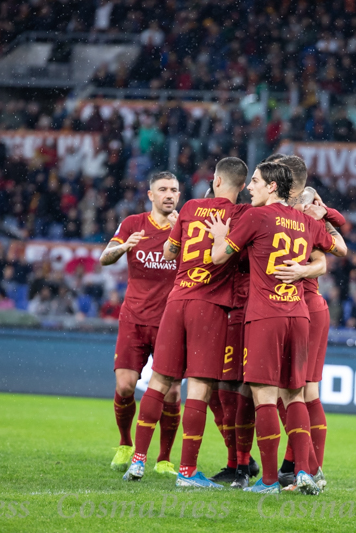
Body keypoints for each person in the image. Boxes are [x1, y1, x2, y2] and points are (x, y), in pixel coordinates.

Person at [207, 162, 347, 495]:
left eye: (254, 182)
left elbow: (217, 258)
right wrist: (325, 222)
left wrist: (220, 237)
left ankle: (269, 480)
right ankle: (304, 472)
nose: (249, 187)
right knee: (296, 395)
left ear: (272, 187)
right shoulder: (304, 220)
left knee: (265, 398)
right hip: (299, 315)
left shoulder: (256, 218)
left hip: (266, 314)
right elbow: (335, 250)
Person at [125, 158, 260, 488]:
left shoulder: (188, 209)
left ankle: (138, 461)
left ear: (214, 180)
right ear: (242, 186)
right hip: (210, 306)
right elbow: (241, 257)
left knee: (158, 380)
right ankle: (186, 473)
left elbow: (170, 253)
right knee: (199, 387)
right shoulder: (244, 215)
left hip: (176, 301)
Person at [267, 154, 347, 489]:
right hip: (294, 307)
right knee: (295, 393)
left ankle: (309, 467)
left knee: (298, 393)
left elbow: (338, 247)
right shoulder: (290, 210)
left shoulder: (307, 209)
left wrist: (324, 213)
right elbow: (340, 238)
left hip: (305, 306)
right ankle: (301, 465)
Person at [99, 172, 182, 475]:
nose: (169, 195)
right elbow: (104, 257)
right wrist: (123, 247)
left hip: (170, 322)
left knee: (172, 393)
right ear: (151, 195)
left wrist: (182, 236)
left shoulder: (186, 228)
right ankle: (125, 443)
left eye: (174, 189)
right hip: (133, 318)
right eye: (162, 189)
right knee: (124, 386)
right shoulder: (133, 224)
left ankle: (164, 459)